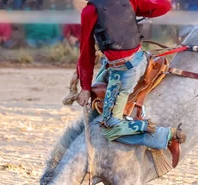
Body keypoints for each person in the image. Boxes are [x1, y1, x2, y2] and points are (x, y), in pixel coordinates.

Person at [76, 0, 186, 168]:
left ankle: (166, 136)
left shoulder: (90, 11)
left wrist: (84, 87)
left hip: (123, 72)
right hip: (140, 59)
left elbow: (87, 53)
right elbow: (164, 6)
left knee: (111, 129)